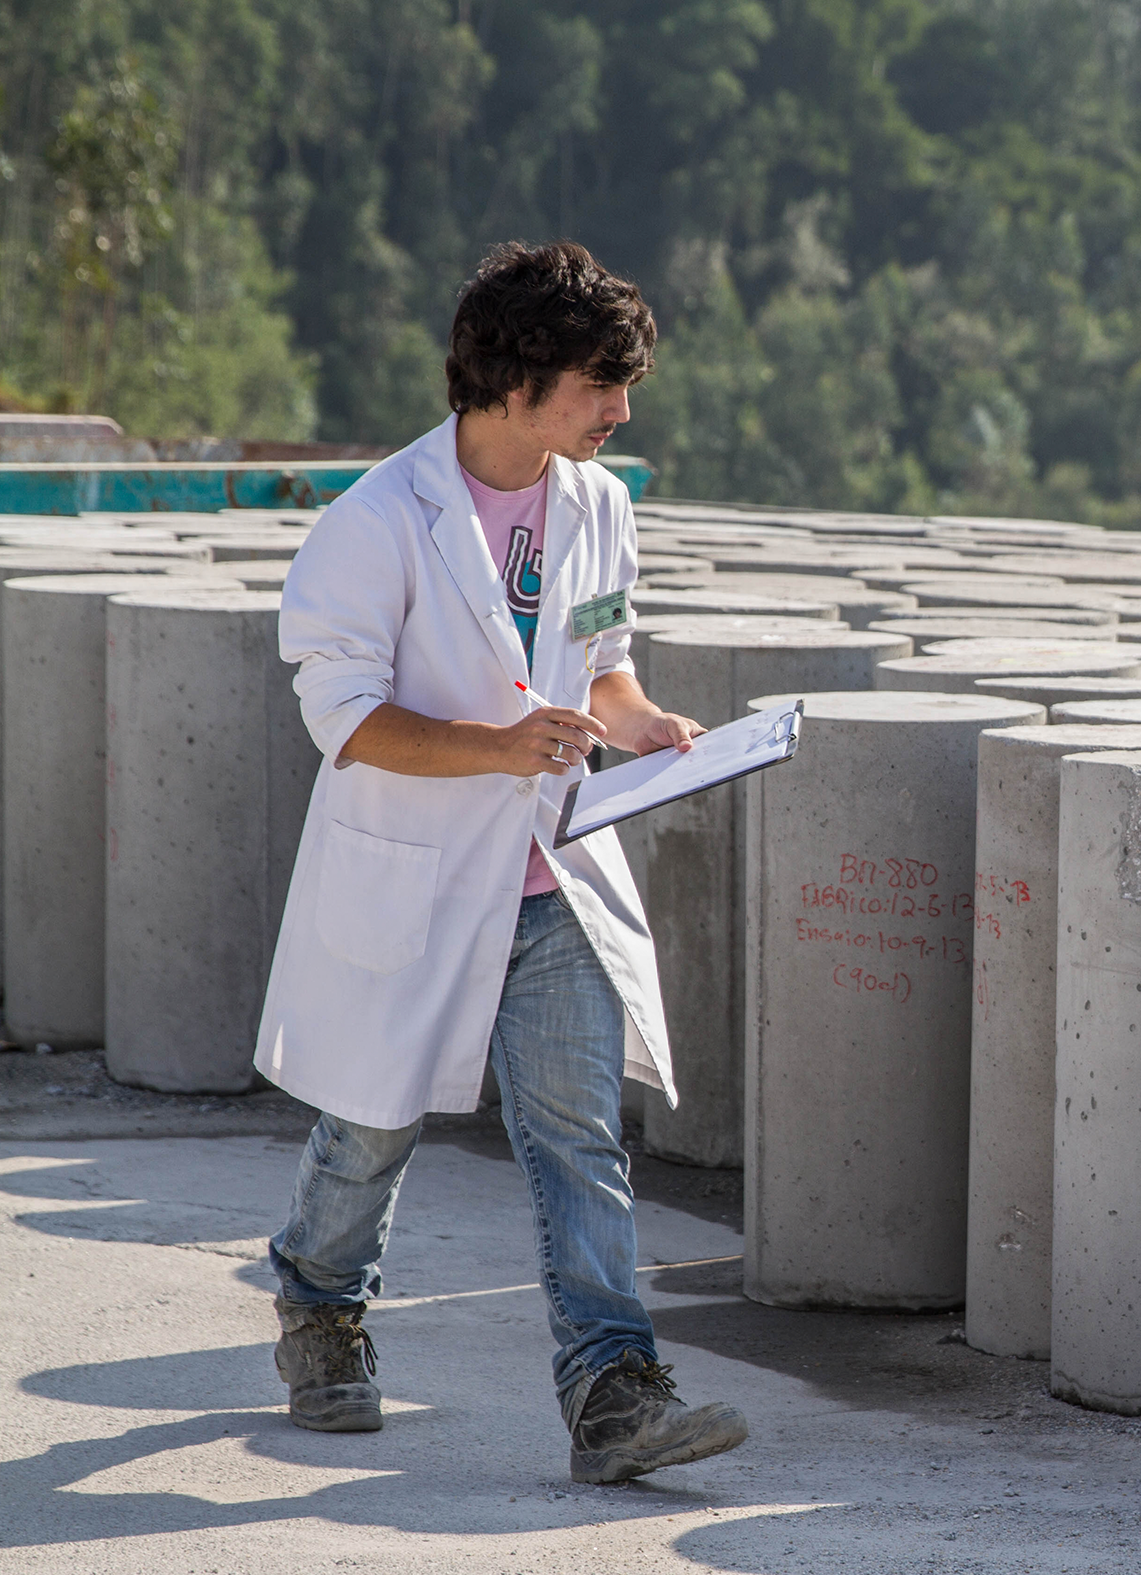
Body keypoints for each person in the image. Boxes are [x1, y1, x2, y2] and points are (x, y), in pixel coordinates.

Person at [252, 240, 749, 1484]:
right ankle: (319, 1305)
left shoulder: (600, 504)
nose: (622, 411)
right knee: (372, 1124)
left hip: (551, 875)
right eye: (601, 384)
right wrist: (495, 744)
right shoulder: (378, 521)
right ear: (519, 379)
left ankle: (614, 1393)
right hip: (417, 872)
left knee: (578, 1137)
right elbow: (346, 718)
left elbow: (602, 658)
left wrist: (642, 725)